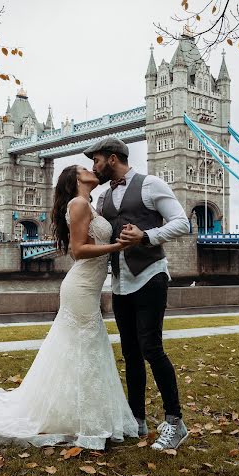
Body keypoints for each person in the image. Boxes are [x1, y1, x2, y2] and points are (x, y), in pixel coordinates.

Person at [0, 165, 138, 450]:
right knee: (86, 347)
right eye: (85, 168)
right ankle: (85, 419)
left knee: (83, 349)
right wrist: (116, 248)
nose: (92, 169)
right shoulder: (78, 203)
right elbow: (78, 250)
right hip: (81, 286)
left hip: (88, 285)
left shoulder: (90, 205)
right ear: (75, 179)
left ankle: (81, 415)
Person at [83, 136, 190, 451]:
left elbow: (182, 222)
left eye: (97, 160)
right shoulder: (102, 198)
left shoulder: (151, 184)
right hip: (119, 283)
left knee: (152, 350)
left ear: (113, 158)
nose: (95, 167)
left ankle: (175, 423)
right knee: (130, 354)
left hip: (150, 276)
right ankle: (137, 420)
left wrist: (147, 236)